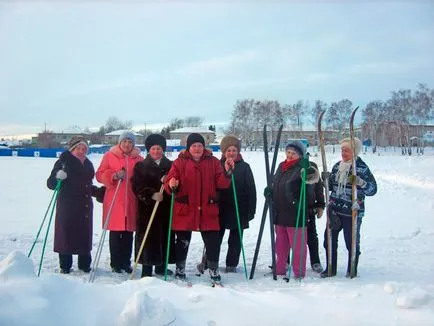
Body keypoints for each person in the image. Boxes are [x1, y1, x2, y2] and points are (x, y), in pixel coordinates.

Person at [164, 133, 234, 282]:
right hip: (185, 208)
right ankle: (180, 268)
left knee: (213, 242)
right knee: (182, 241)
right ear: (189, 147)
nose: (197, 148)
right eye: (194, 146)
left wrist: (228, 173)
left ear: (204, 147)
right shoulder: (179, 162)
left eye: (200, 146)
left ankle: (213, 269)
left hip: (207, 209)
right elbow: (170, 181)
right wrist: (171, 184)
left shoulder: (213, 162)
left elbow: (221, 183)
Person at [197, 135, 256, 274]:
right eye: (228, 150)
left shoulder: (245, 167)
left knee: (235, 239)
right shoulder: (216, 165)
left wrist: (250, 210)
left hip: (238, 208)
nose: (231, 153)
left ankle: (231, 264)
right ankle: (208, 261)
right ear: (223, 152)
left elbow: (251, 189)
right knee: (214, 239)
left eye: (234, 150)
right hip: (220, 208)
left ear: (238, 151)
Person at [321, 137, 377, 278]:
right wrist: (325, 181)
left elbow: (373, 190)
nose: (343, 152)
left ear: (355, 151)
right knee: (329, 240)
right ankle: (330, 268)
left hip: (352, 211)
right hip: (334, 210)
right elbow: (331, 188)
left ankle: (352, 269)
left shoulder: (361, 168)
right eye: (342, 149)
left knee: (351, 242)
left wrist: (360, 182)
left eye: (347, 150)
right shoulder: (337, 166)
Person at [47, 136, 103, 274]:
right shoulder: (63, 162)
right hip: (68, 205)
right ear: (72, 149)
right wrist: (57, 177)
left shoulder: (88, 163)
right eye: (78, 148)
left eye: (84, 148)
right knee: (66, 234)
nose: (81, 150)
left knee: (84, 234)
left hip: (84, 205)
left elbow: (87, 185)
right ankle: (65, 265)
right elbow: (51, 184)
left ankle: (84, 264)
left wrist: (99, 192)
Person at [96, 131, 144, 273]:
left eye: (130, 142)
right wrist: (114, 175)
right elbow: (99, 174)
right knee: (116, 232)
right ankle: (115, 263)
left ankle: (125, 262)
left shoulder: (139, 159)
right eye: (124, 141)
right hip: (115, 199)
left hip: (131, 199)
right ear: (119, 143)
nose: (127, 144)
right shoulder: (109, 156)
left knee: (129, 232)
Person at [270, 140, 319, 279]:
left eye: (294, 153)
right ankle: (280, 270)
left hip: (296, 213)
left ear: (301, 155)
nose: (290, 155)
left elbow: (312, 184)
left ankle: (299, 273)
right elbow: (276, 183)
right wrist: (271, 191)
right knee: (280, 246)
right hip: (280, 213)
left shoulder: (303, 167)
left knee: (298, 247)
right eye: (288, 152)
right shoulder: (281, 166)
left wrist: (307, 170)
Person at [131, 134, 176, 277]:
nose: (156, 151)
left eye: (159, 148)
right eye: (153, 148)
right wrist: (150, 194)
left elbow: (177, 184)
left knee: (163, 237)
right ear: (149, 150)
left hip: (165, 209)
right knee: (148, 238)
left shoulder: (171, 166)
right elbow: (136, 186)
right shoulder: (141, 166)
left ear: (163, 150)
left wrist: (170, 183)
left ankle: (161, 267)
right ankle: (147, 269)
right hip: (147, 209)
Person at [306, 153, 325, 273]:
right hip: (291, 208)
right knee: (289, 236)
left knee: (311, 236)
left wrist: (320, 205)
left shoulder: (311, 166)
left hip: (309, 207)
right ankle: (285, 260)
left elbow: (318, 187)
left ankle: (315, 261)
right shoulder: (286, 166)